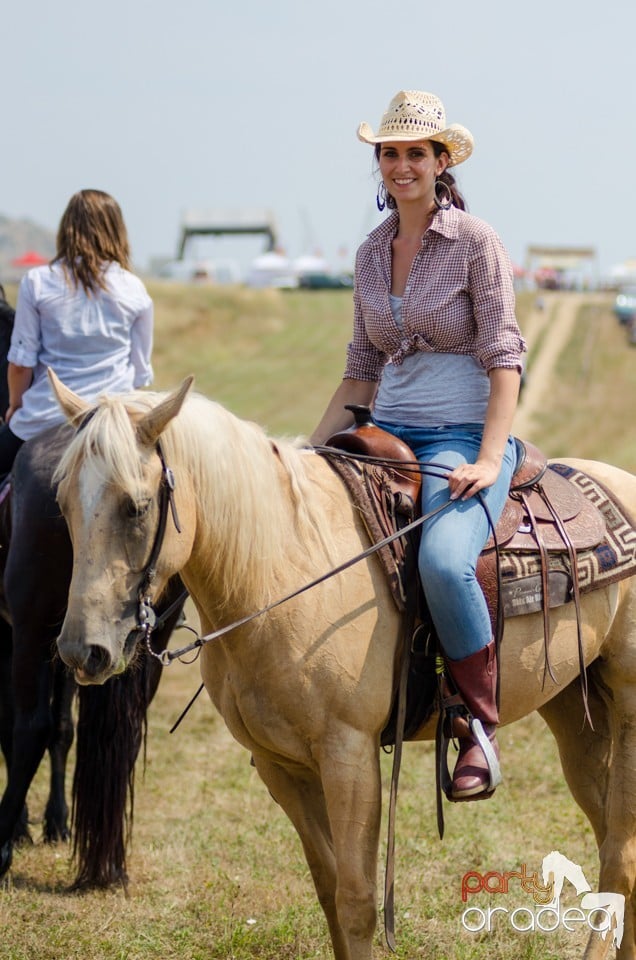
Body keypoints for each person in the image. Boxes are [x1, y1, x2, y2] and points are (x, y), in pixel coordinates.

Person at [310, 90, 526, 801]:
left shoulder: (475, 242)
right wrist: (308, 456)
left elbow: (503, 360)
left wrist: (490, 458)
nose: (402, 166)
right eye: (390, 154)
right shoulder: (372, 253)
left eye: (415, 154)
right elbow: (359, 368)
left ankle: (477, 726)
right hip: (385, 429)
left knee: (442, 557)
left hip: (462, 434)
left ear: (441, 162)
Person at [0, 189, 153, 478]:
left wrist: (15, 407)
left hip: (45, 416)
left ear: (66, 229)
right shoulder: (134, 288)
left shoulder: (37, 282)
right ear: (117, 230)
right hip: (113, 419)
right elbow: (140, 375)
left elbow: (20, 364)